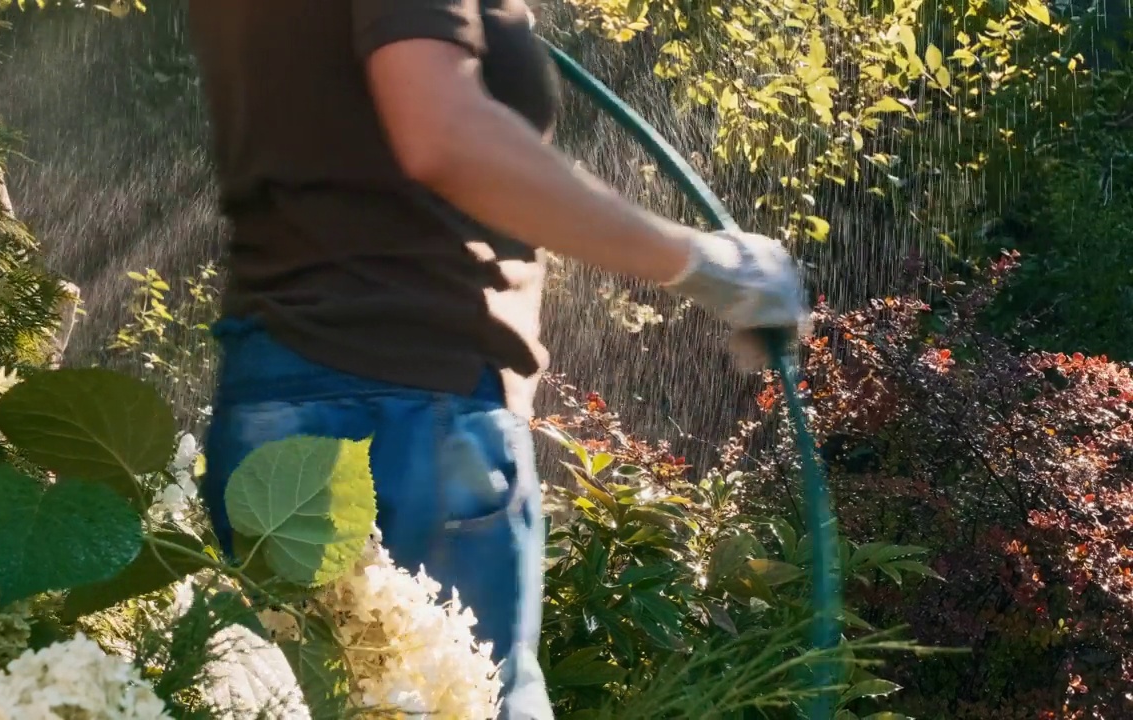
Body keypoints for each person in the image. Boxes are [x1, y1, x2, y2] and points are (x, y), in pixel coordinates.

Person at [186, 2, 808, 718]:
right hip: (412, 412)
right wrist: (699, 264)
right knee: (476, 700)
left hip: (270, 396)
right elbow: (444, 134)